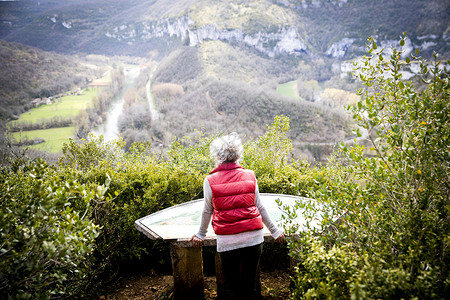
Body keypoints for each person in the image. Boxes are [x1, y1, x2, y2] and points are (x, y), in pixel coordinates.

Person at [190, 133, 286, 300]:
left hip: (228, 241)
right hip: (254, 239)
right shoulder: (250, 175)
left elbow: (207, 211)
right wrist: (275, 230)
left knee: (231, 286)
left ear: (218, 156)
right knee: (250, 284)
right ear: (238, 155)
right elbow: (260, 206)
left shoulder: (210, 180)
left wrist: (201, 234)